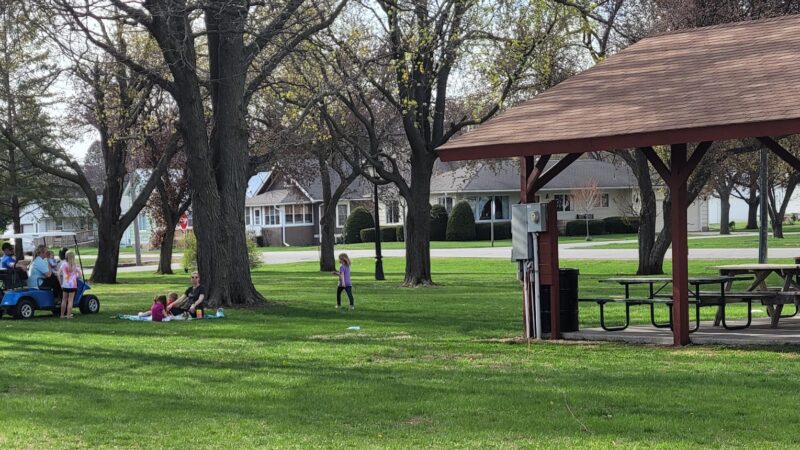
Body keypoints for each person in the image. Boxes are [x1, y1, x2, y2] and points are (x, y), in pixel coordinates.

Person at [58, 250, 82, 319]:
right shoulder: (75, 265)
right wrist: (75, 277)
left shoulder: (64, 264)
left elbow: (58, 274)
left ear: (66, 256)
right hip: (73, 285)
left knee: (64, 299)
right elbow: (80, 275)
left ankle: (62, 315)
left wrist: (61, 283)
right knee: (70, 300)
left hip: (65, 285)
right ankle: (68, 315)